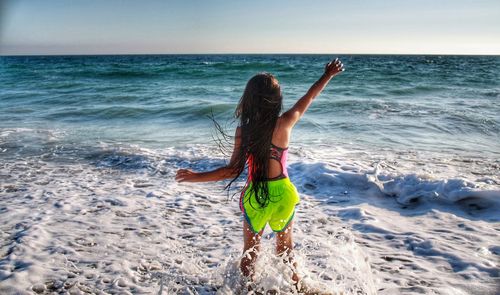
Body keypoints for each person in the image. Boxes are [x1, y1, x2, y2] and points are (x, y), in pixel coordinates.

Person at [175, 58, 344, 292]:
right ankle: (299, 288)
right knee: (286, 249)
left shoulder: (244, 131)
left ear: (249, 100)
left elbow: (231, 171)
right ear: (277, 100)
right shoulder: (285, 122)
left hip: (257, 196)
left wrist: (196, 176)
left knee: (250, 254)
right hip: (283, 194)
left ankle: (247, 290)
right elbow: (310, 97)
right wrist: (327, 75)